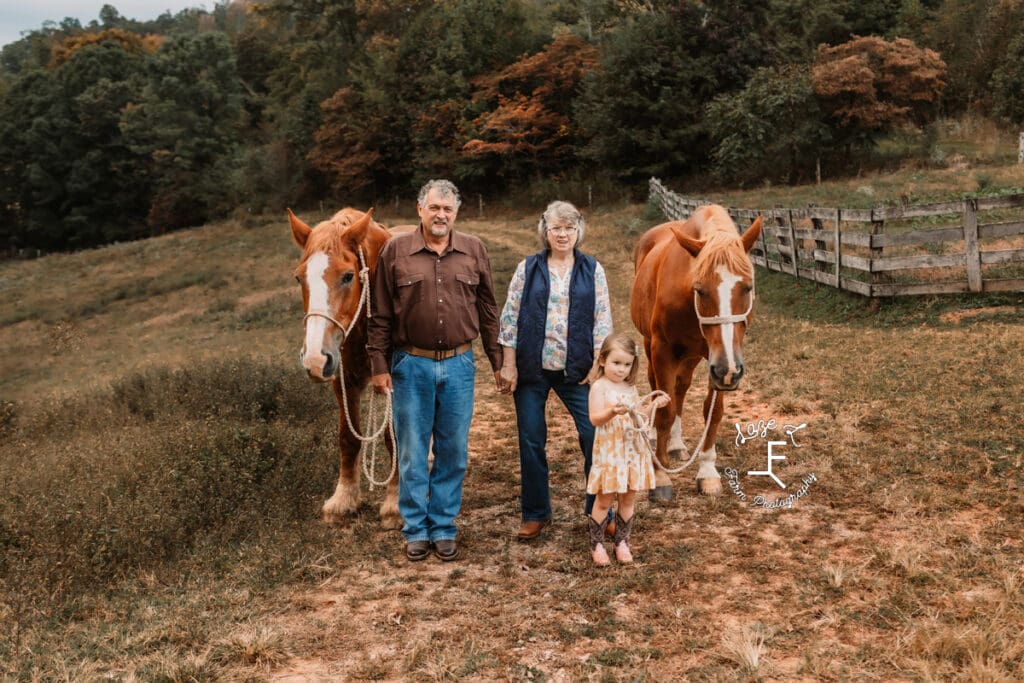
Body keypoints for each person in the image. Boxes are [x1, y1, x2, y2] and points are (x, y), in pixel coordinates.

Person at [367, 179, 502, 562]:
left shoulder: (474, 249)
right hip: (411, 364)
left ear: (456, 213)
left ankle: (443, 525)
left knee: (453, 450)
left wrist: (497, 362)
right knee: (411, 452)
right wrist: (379, 366)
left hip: (460, 364)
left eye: (448, 209)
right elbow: (378, 315)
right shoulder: (396, 251)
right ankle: (416, 528)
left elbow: (489, 311)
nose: (440, 215)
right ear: (419, 209)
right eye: (434, 207)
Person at [497, 200, 613, 541]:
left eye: (569, 228)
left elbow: (602, 321)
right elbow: (509, 318)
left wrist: (598, 368)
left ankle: (598, 510)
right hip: (532, 368)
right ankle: (536, 513)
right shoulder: (528, 268)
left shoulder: (592, 269)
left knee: (593, 436)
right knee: (532, 439)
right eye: (556, 228)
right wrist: (508, 364)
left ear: (578, 231)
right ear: (545, 232)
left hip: (578, 369)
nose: (563, 234)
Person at [586, 333, 669, 566]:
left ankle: (622, 542)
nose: (621, 369)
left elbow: (638, 416)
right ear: (603, 360)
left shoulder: (630, 388)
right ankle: (597, 543)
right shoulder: (599, 387)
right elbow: (594, 419)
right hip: (610, 452)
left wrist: (653, 405)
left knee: (629, 497)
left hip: (630, 451)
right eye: (616, 363)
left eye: (626, 364)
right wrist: (612, 411)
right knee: (604, 499)